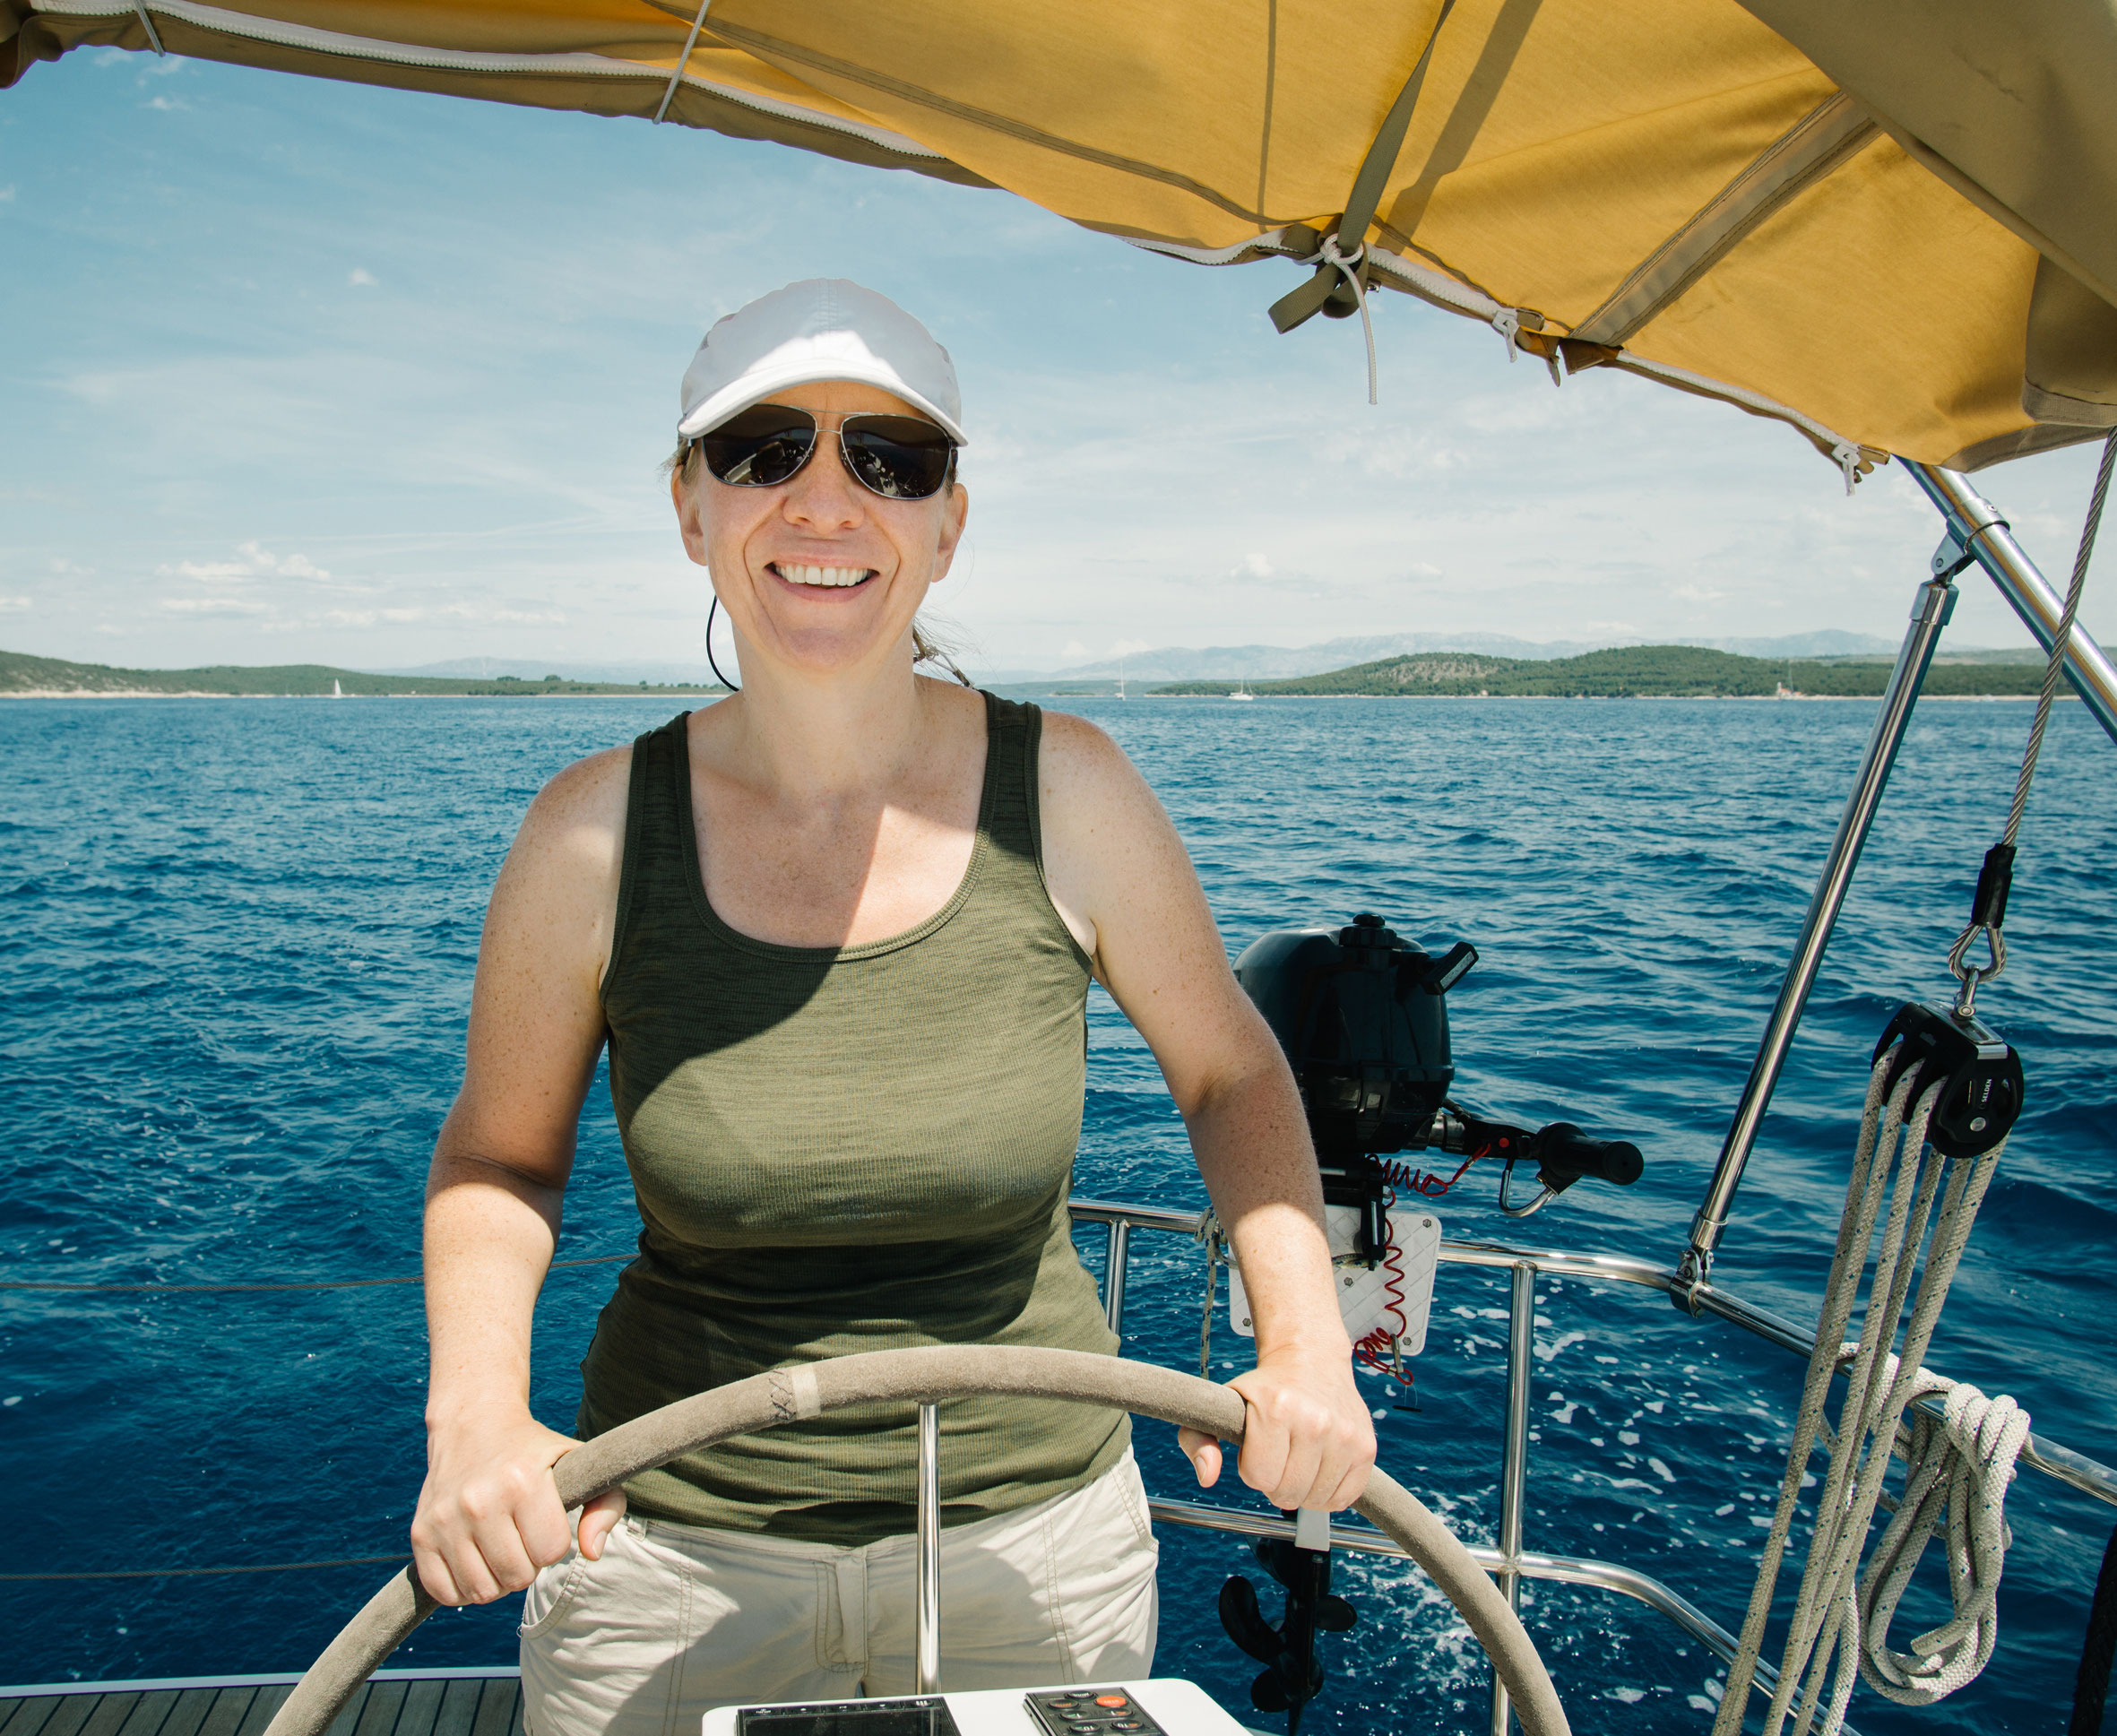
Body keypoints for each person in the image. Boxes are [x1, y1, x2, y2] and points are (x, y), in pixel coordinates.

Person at [410, 279, 1375, 1735]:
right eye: (761, 450)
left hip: (1035, 1539)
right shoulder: (588, 839)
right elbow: (498, 1157)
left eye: (889, 458)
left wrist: (1302, 1343)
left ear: (947, 523)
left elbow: (1234, 1076)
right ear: (688, 506)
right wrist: (474, 1413)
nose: (823, 498)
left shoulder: (1073, 792)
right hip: (670, 1550)